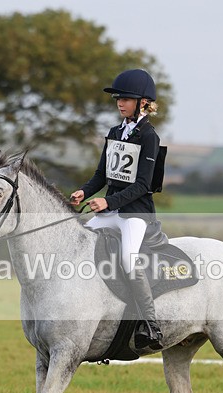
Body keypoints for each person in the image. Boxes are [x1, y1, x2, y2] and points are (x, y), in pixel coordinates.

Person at [69, 69, 163, 350]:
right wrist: (85, 191)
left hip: (135, 214)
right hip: (111, 212)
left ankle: (151, 324)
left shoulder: (149, 137)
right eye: (118, 99)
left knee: (128, 259)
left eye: (126, 99)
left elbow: (143, 184)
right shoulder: (114, 133)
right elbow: (102, 175)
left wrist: (108, 202)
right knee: (79, 245)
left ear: (143, 103)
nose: (120, 103)